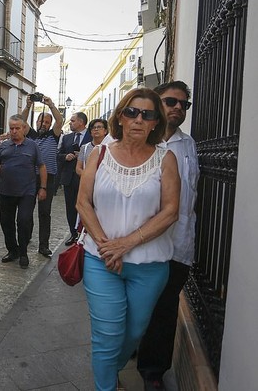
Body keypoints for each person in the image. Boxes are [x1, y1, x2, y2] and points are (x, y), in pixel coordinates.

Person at [76, 87, 180, 390]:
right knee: (107, 335)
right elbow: (83, 202)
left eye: (147, 114)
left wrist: (127, 243)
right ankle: (106, 383)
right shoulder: (100, 153)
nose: (138, 119)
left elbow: (171, 210)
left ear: (154, 122)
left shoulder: (166, 158)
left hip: (149, 266)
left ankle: (111, 367)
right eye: (131, 112)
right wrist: (108, 247)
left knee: (134, 332)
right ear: (120, 117)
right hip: (100, 262)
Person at [137, 81, 199, 390]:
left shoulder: (188, 145)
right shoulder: (139, 142)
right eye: (171, 101)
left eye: (183, 104)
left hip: (177, 246)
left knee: (164, 311)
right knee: (137, 307)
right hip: (143, 244)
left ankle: (153, 372)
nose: (177, 107)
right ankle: (126, 353)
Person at [0, 116, 47, 269]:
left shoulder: (32, 146)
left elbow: (41, 167)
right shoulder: (3, 146)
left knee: (24, 221)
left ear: (24, 129)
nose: (14, 131)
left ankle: (23, 252)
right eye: (11, 128)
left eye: (17, 128)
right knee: (6, 223)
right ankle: (12, 250)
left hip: (27, 192)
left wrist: (43, 188)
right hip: (6, 192)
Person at [21, 95, 64, 257]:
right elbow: (22, 121)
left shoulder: (54, 135)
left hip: (49, 178)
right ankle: (26, 238)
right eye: (41, 121)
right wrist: (28, 105)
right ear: (36, 122)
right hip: (31, 178)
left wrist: (51, 105)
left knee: (45, 212)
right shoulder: (30, 134)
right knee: (27, 210)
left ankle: (44, 245)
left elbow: (60, 120)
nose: (43, 124)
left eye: (47, 122)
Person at [58, 112, 92, 246]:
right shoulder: (67, 138)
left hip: (85, 178)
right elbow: (58, 154)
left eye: (72, 121)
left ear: (81, 122)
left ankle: (86, 233)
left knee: (85, 206)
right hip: (69, 178)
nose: (70, 123)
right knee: (70, 208)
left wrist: (82, 156)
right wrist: (65, 156)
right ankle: (73, 233)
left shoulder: (91, 137)